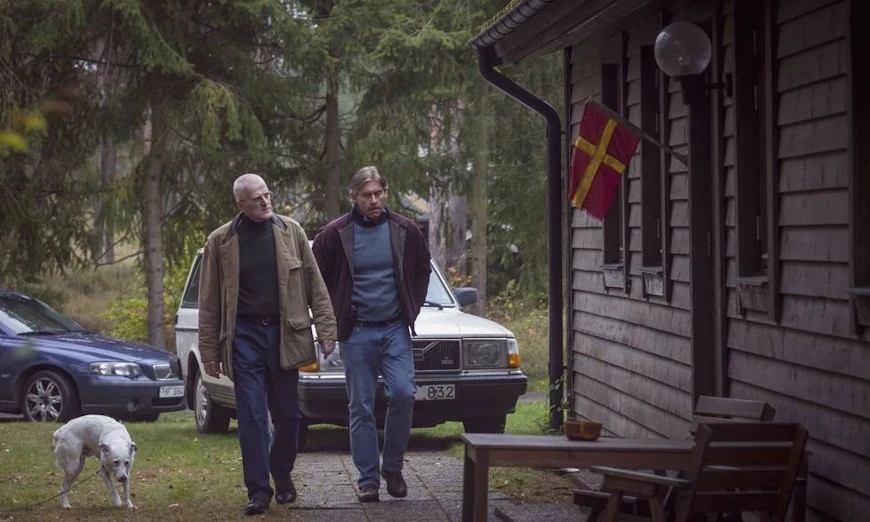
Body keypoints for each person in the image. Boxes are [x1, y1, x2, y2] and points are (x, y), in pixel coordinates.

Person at [198, 173, 337, 516]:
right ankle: (258, 490)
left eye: (267, 194)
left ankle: (282, 470)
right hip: (243, 337)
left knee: (289, 416)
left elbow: (315, 284)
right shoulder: (221, 241)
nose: (265, 201)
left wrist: (326, 327)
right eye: (256, 198)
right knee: (252, 417)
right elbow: (209, 301)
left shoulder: (292, 231)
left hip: (284, 334)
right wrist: (209, 351)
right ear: (240, 204)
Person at [312, 166, 431, 503]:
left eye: (379, 193)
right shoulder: (334, 235)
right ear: (354, 197)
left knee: (404, 393)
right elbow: (315, 282)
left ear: (386, 193)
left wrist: (411, 308)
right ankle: (367, 479)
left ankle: (392, 467)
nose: (374, 200)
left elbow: (422, 270)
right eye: (367, 195)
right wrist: (328, 325)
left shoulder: (405, 230)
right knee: (361, 406)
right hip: (356, 332)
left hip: (394, 328)